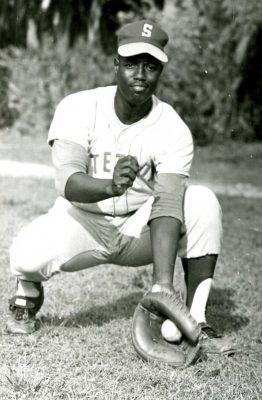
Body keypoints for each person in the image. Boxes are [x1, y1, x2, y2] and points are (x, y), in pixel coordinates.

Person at [7, 20, 224, 349]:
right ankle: (28, 292)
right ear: (116, 64)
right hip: (82, 219)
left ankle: (196, 316)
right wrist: (109, 186)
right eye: (131, 63)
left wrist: (162, 284)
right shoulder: (79, 106)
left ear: (160, 71)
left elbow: (167, 203)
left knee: (202, 201)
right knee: (24, 256)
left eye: (150, 66)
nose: (140, 74)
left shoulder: (172, 127)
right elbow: (66, 181)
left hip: (140, 226)